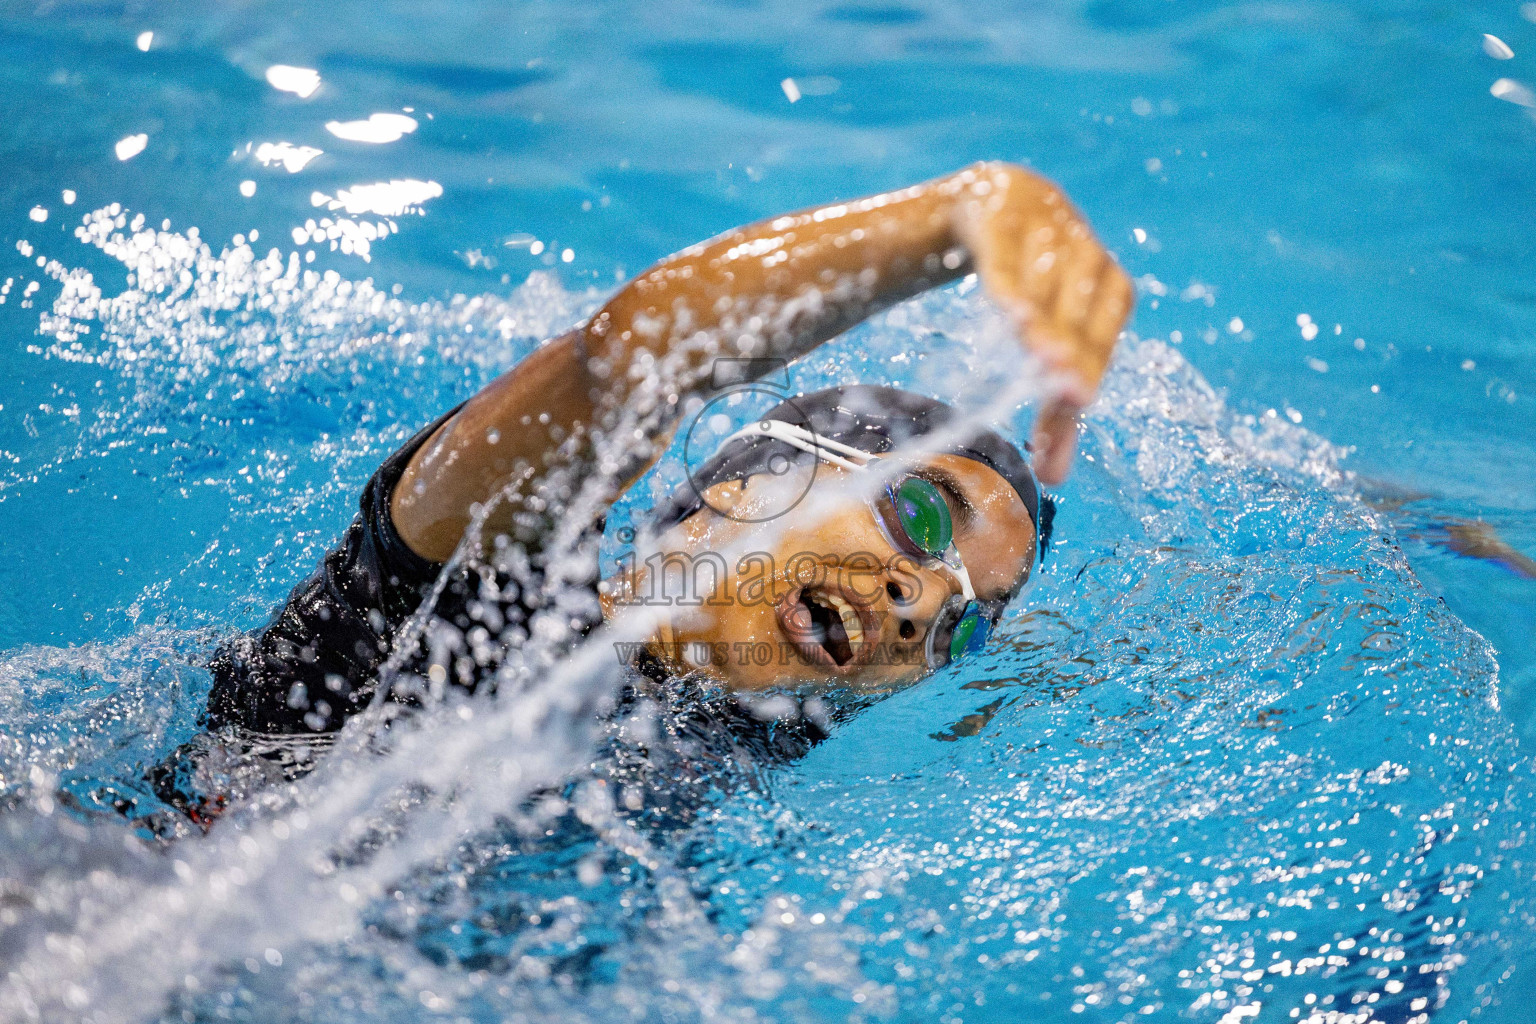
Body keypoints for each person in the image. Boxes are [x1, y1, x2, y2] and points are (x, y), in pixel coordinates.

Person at [146, 162, 1134, 826]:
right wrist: (956, 217)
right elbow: (621, 362)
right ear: (765, 471)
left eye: (955, 624)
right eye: (920, 519)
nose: (919, 603)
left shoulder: (728, 751)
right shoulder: (467, 603)